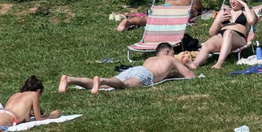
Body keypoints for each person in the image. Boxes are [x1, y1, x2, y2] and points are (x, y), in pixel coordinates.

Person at [60, 43, 194, 94]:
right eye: (172, 52)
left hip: (136, 69)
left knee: (111, 84)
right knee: (124, 85)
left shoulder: (149, 59)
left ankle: (70, 79)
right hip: (146, 74)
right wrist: (182, 67)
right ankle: (101, 80)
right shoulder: (170, 59)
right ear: (167, 52)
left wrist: (168, 75)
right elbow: (190, 76)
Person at [190, 0, 262, 69]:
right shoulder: (224, 12)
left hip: (238, 38)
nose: (232, 2)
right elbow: (211, 33)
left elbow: (251, 21)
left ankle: (219, 63)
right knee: (207, 44)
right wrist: (219, 21)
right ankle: (194, 64)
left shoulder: (247, 11)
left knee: (228, 32)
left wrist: (245, 5)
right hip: (221, 36)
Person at [116, 0, 204, 32]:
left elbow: (167, 2)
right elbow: (197, 10)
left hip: (163, 6)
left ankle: (128, 21)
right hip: (177, 11)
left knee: (146, 19)